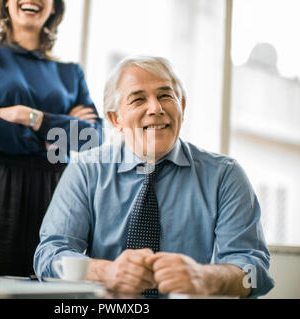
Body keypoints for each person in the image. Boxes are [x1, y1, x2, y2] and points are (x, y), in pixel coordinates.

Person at [34, 56, 274, 298]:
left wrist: (205, 277)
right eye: (138, 99)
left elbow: (255, 270)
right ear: (115, 119)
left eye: (165, 96)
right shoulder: (86, 170)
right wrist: (105, 271)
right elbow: (49, 255)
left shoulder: (225, 175)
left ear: (182, 105)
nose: (156, 108)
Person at [0, 0, 102, 278]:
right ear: (5, 3)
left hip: (56, 190)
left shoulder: (71, 73)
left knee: (45, 284)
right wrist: (56, 134)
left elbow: (93, 137)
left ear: (55, 8)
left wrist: (31, 116)